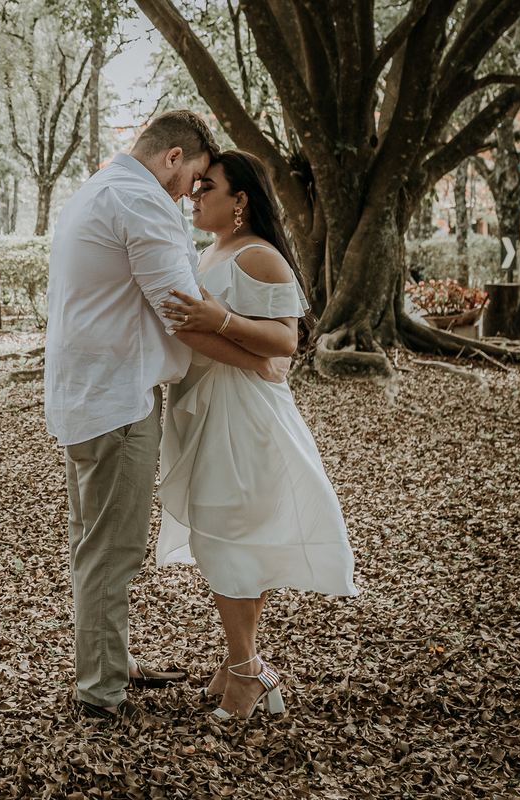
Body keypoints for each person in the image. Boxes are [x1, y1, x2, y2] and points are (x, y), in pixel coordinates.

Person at [45, 112, 293, 721]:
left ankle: (111, 659)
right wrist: (256, 361)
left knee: (92, 540)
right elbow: (181, 315)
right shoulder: (144, 203)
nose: (190, 194)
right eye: (195, 178)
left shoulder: (96, 191)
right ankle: (102, 691)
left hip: (81, 395)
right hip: (118, 402)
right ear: (174, 157)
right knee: (115, 548)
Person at [157, 149, 359, 720]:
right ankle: (240, 659)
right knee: (231, 534)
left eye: (207, 188)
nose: (195, 197)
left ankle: (246, 671)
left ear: (240, 200)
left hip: (242, 416)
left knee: (226, 535)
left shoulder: (261, 257)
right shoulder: (210, 252)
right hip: (209, 406)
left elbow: (285, 344)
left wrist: (214, 320)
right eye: (195, 188)